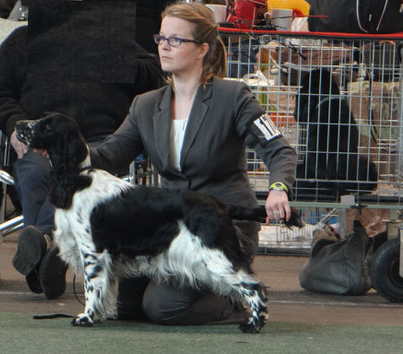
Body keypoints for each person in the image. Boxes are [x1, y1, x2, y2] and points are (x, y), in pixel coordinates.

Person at [87, 2, 297, 325]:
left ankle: (237, 301)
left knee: (162, 308)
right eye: (160, 38)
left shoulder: (234, 96)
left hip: (222, 229)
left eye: (175, 40)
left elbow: (278, 149)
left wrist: (278, 188)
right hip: (169, 231)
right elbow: (109, 155)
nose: (163, 46)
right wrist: (67, 147)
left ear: (201, 49)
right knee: (126, 307)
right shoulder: (145, 106)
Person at [0, 2, 164, 299]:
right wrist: (16, 126)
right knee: (34, 173)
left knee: (70, 171)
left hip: (100, 140)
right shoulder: (20, 42)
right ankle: (48, 250)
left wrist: (119, 58)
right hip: (41, 138)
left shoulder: (112, 41)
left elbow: (153, 79)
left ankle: (41, 245)